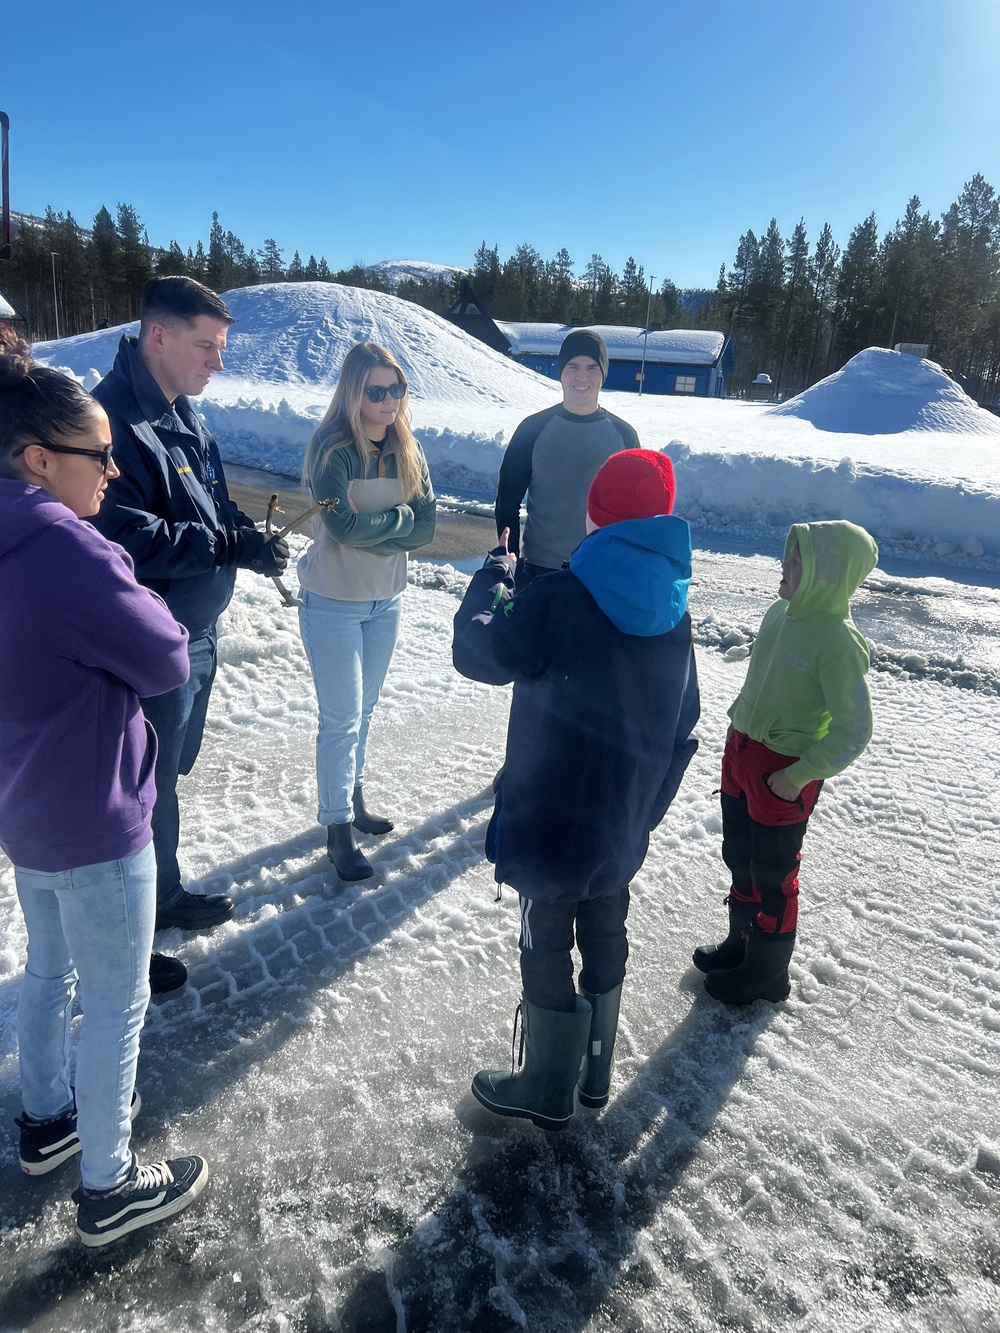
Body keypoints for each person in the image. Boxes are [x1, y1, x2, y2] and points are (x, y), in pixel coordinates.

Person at [0, 329, 209, 1246]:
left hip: (25, 810)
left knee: (48, 971)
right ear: (40, 459)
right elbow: (165, 654)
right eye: (100, 457)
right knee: (116, 1000)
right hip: (95, 812)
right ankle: (109, 1181)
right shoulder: (66, 549)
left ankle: (45, 1122)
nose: (112, 475)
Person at [453, 449, 700, 1130]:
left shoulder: (562, 594)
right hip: (621, 821)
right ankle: (593, 1073)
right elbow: (685, 723)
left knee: (545, 931)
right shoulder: (674, 606)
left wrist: (491, 579)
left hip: (551, 814)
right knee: (605, 919)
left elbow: (479, 652)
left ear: (599, 513)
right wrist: (644, 811)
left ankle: (547, 1083)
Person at [90, 277, 289, 933]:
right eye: (206, 345)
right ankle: (131, 926)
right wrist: (221, 544)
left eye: (221, 347)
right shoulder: (110, 421)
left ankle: (159, 893)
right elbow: (123, 537)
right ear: (159, 336)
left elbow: (210, 504)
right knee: (138, 788)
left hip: (194, 634)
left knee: (163, 777)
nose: (218, 361)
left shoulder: (183, 414)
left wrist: (244, 538)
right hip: (145, 640)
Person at [693, 520, 878, 1004]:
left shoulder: (838, 643)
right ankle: (742, 944)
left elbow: (853, 730)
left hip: (782, 773)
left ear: (826, 575)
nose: (784, 565)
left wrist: (796, 777)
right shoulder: (780, 612)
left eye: (797, 562)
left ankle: (767, 975)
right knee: (740, 857)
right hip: (742, 757)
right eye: (788, 556)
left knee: (774, 873)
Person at [298, 343, 436, 881]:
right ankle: (336, 830)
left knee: (367, 708)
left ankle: (352, 800)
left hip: (386, 599)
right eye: (375, 391)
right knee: (341, 718)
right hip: (332, 601)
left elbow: (426, 528)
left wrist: (385, 526)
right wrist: (397, 522)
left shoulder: (409, 449)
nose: (387, 402)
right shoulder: (331, 448)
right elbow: (343, 529)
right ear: (353, 392)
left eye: (395, 390)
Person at [494, 329, 638, 591]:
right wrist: (511, 562)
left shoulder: (624, 435)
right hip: (538, 572)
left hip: (600, 572)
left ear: (603, 373)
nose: (582, 376)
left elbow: (635, 513)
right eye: (573, 366)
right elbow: (507, 502)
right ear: (561, 372)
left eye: (592, 367)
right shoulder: (532, 429)